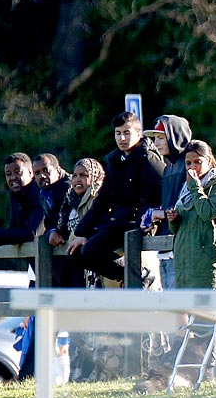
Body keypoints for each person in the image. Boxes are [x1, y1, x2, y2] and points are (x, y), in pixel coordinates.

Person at [67, 112, 165, 284]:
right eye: (118, 133)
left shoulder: (148, 159)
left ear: (138, 134)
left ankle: (137, 276)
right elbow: (103, 200)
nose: (122, 138)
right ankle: (133, 276)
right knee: (76, 252)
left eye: (127, 133)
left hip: (142, 223)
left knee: (90, 251)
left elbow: (159, 196)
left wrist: (144, 224)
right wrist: (82, 232)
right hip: (119, 220)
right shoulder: (114, 161)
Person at [166, 140, 216, 290]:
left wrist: (195, 186)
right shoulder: (186, 187)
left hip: (206, 261)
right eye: (188, 163)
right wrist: (174, 219)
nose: (192, 167)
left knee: (208, 311)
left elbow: (207, 213)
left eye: (198, 162)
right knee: (183, 310)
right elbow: (178, 228)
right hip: (184, 261)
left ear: (209, 161)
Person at [144, 115, 194, 289]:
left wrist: (162, 213)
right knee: (172, 308)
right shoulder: (168, 168)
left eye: (161, 137)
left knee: (182, 306)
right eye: (154, 138)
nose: (156, 143)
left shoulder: (189, 164)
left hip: (184, 247)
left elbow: (188, 206)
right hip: (165, 246)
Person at [47, 157, 105, 288]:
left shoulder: (99, 198)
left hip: (93, 261)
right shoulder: (69, 199)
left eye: (83, 175)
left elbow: (102, 226)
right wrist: (55, 232)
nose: (78, 179)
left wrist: (86, 236)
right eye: (75, 176)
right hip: (73, 263)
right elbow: (60, 226)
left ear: (94, 176)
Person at [31, 153, 71, 231]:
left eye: (45, 170)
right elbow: (49, 221)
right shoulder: (45, 191)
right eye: (37, 173)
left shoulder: (69, 187)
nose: (41, 176)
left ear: (58, 170)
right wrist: (52, 231)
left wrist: (56, 232)